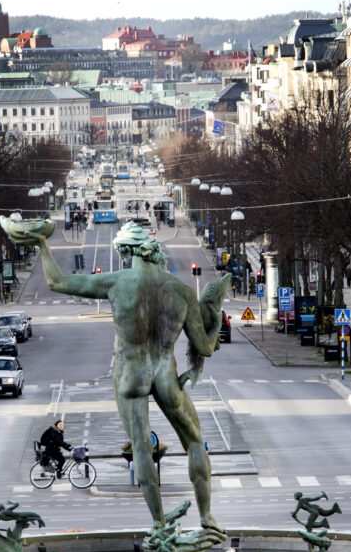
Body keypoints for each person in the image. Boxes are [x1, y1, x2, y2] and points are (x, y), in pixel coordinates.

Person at [17, 220, 228, 532]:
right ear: (155, 252)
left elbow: (57, 282)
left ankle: (158, 525)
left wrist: (42, 244)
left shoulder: (116, 282)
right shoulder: (182, 291)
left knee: (142, 448)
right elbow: (205, 347)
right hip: (166, 376)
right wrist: (216, 323)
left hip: (131, 375)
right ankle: (206, 517)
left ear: (128, 252)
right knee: (195, 443)